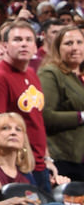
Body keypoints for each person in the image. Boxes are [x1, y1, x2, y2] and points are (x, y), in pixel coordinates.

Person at [0, 21, 53, 190]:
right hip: (19, 164)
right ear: (4, 45)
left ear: (35, 47)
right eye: (17, 39)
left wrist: (48, 158)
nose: (24, 44)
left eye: (28, 40)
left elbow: (38, 120)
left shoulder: (32, 73)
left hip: (39, 161)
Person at [37, 24, 84, 180]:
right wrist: (81, 116)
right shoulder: (50, 73)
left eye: (79, 42)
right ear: (57, 48)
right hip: (64, 158)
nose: (75, 48)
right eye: (68, 43)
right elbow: (45, 115)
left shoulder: (79, 75)